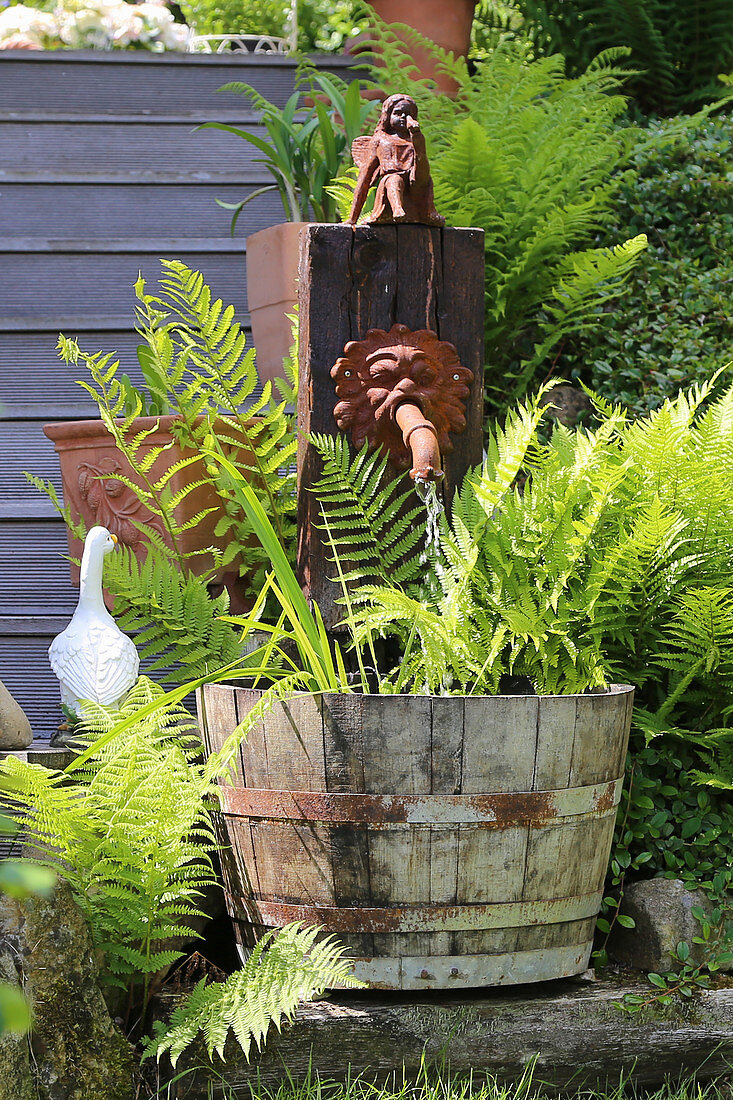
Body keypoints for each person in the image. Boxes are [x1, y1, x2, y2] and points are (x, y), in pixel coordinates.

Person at [348, 93, 445, 226]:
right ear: (387, 115)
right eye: (398, 113)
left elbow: (422, 161)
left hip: (416, 182)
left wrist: (416, 135)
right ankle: (397, 209)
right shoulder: (380, 139)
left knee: (423, 174)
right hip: (390, 183)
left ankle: (423, 213)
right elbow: (365, 177)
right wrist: (352, 219)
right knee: (394, 179)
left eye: (408, 114)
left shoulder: (414, 140)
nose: (403, 117)